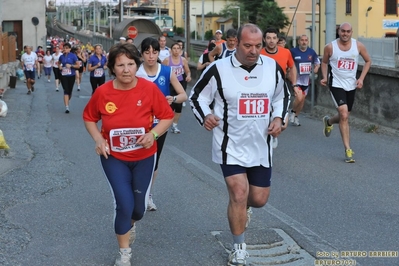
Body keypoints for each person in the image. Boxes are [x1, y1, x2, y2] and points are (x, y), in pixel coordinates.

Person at [190, 24, 288, 266]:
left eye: (258, 46)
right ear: (237, 44)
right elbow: (197, 96)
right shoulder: (218, 69)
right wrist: (206, 116)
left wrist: (279, 118)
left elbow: (282, 96)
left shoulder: (272, 67)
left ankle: (244, 209)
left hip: (261, 145)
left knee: (259, 198)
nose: (254, 51)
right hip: (229, 145)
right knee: (238, 193)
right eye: (248, 46)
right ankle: (239, 248)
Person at [83, 43, 174, 266]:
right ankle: (124, 254)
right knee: (124, 204)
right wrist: (98, 138)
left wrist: (152, 134)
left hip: (144, 156)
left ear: (137, 65)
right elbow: (89, 117)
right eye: (120, 65)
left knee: (138, 210)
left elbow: (167, 116)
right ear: (112, 68)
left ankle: (129, 224)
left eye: (131, 64)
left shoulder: (149, 89)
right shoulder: (103, 92)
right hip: (114, 157)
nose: (126, 69)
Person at [136, 37, 187, 211]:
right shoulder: (135, 72)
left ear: (158, 53)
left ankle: (148, 195)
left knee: (153, 162)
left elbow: (183, 95)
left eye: (154, 52)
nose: (151, 56)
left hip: (160, 125)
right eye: (147, 52)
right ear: (142, 53)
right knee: (136, 159)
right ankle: (136, 192)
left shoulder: (166, 72)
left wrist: (172, 98)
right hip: (138, 124)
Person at [320, 22, 371, 163]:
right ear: (339, 31)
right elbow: (324, 62)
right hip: (336, 84)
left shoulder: (358, 46)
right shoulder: (330, 47)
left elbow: (368, 61)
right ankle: (348, 149)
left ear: (351, 32)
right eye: (343, 31)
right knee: (343, 114)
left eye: (348, 31)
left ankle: (329, 121)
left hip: (351, 85)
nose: (345, 34)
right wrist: (325, 77)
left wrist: (361, 78)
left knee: (345, 115)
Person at [261, 28, 295, 147]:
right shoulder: (259, 54)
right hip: (263, 91)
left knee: (284, 124)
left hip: (281, 90)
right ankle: (269, 136)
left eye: (274, 38)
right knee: (265, 120)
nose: (271, 41)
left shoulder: (286, 52)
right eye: (268, 38)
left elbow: (292, 67)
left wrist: (294, 84)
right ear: (264, 40)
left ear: (277, 40)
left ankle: (274, 134)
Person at [289, 34, 320, 126]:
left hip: (306, 80)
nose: (304, 42)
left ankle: (296, 117)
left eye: (305, 40)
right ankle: (293, 112)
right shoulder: (293, 51)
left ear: (308, 42)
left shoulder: (311, 52)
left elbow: (317, 63)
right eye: (302, 40)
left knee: (302, 100)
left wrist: (316, 68)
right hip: (296, 80)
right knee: (299, 97)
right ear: (299, 42)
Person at [162, 43, 191, 134]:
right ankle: (165, 124)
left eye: (178, 48)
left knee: (178, 106)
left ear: (180, 50)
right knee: (169, 105)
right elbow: (162, 72)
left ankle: (174, 125)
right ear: (171, 50)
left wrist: (188, 76)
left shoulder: (183, 60)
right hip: (170, 84)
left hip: (180, 83)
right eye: (174, 48)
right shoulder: (167, 60)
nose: (176, 50)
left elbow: (187, 71)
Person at [58, 43, 79, 113]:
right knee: (65, 90)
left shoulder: (73, 56)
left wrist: (71, 66)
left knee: (69, 91)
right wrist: (60, 67)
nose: (65, 49)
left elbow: (78, 66)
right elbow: (58, 63)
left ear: (70, 49)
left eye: (66, 48)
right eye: (64, 48)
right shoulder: (61, 56)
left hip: (71, 75)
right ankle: (67, 107)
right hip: (63, 75)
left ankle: (67, 98)